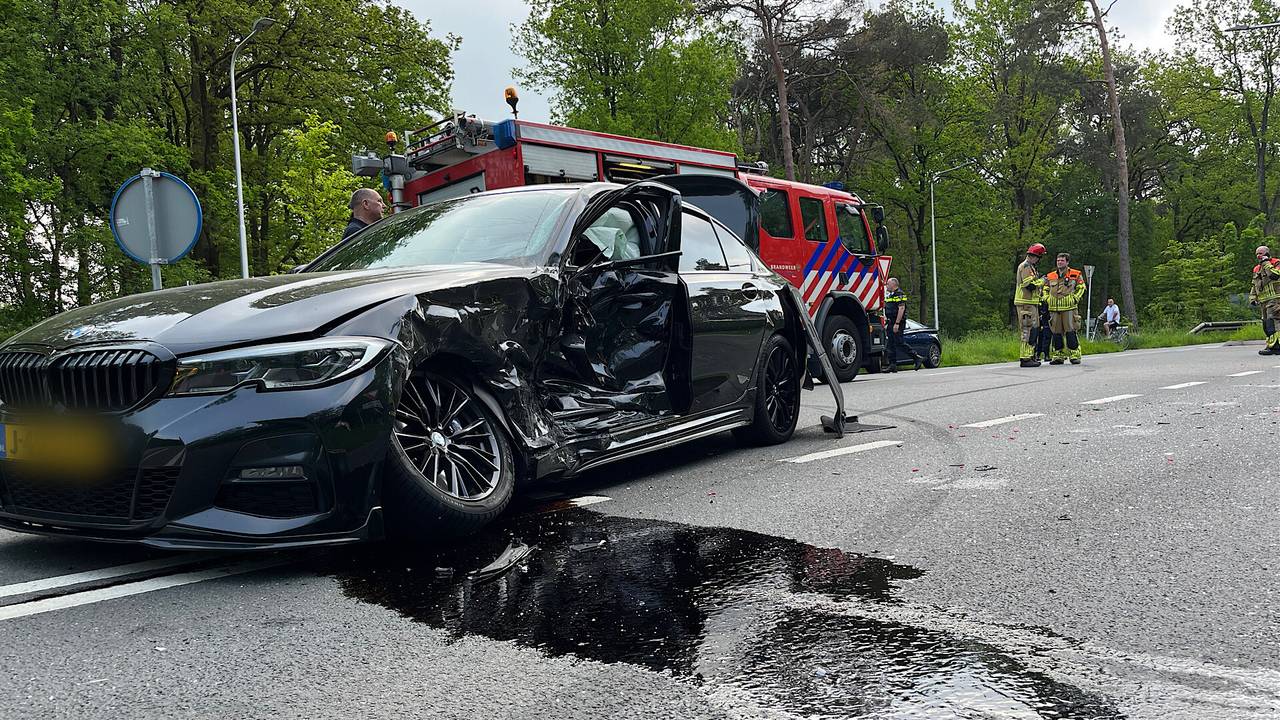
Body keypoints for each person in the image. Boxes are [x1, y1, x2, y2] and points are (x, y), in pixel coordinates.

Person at [1045, 252, 1087, 365]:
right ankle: (1058, 355)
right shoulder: (1050, 276)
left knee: (1070, 331)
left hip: (1069, 308)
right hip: (1054, 309)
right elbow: (1044, 289)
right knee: (1056, 333)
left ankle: (1074, 354)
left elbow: (1082, 287)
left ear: (1067, 262)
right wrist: (1047, 299)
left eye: (1062, 260)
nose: (1059, 262)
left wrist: (1075, 298)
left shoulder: (1075, 274)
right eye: (1058, 260)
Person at [1013, 243, 1047, 367]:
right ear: (1036, 256)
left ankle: (1030, 355)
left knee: (1034, 329)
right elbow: (1029, 285)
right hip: (1025, 303)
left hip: (1031, 303)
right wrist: (1042, 281)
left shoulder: (1031, 267)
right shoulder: (1026, 266)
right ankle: (1025, 358)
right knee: (1027, 329)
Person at [883, 277, 923, 372]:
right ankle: (892, 365)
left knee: (899, 342)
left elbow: (901, 309)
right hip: (890, 321)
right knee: (890, 344)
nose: (887, 286)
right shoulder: (890, 295)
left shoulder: (900, 294)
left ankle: (916, 357)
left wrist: (897, 323)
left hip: (897, 322)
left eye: (888, 284)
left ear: (894, 285)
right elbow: (887, 307)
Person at [1250, 245, 1280, 355]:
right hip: (1264, 301)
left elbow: (1274, 275)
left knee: (1274, 322)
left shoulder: (1276, 262)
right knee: (1266, 325)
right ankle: (1272, 346)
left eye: (1260, 253)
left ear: (1267, 253)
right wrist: (1253, 297)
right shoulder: (1256, 268)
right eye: (1257, 254)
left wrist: (1267, 263)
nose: (1258, 256)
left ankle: (1277, 347)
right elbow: (1255, 285)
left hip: (1276, 299)